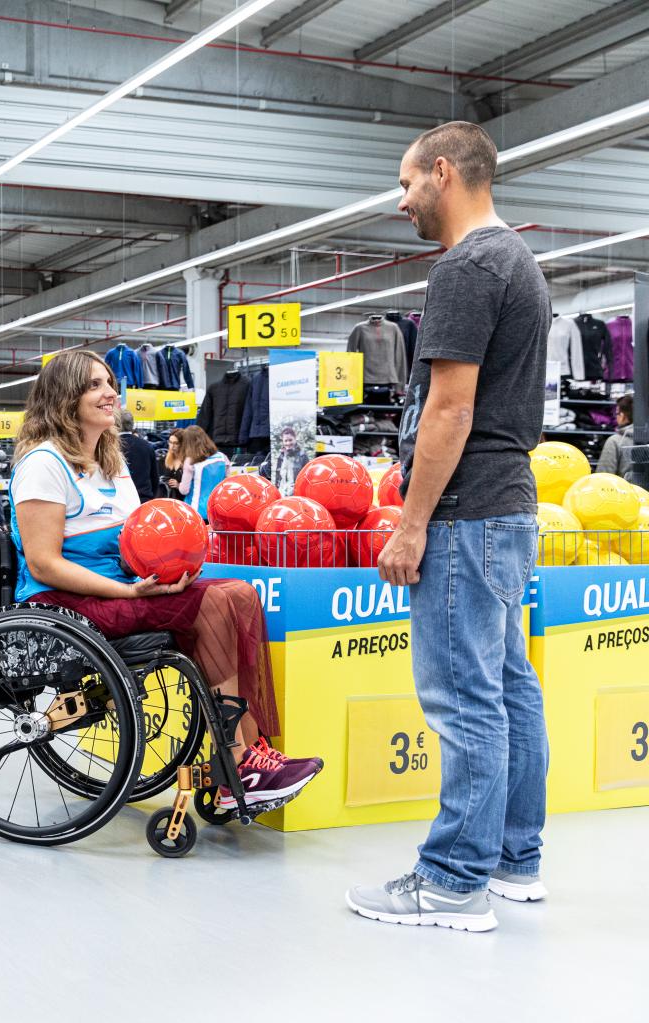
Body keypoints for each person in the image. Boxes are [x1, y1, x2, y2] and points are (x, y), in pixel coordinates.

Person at [348, 121, 550, 932]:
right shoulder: (521, 261)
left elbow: (451, 407)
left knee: (465, 698)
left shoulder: (467, 266)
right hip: (510, 506)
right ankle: (514, 859)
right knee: (507, 687)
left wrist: (410, 522)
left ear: (443, 172)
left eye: (406, 184)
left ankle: (452, 880)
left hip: (466, 512)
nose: (402, 202)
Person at [9, 351, 322, 813]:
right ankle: (238, 761)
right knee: (213, 606)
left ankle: (253, 753)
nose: (110, 392)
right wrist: (129, 590)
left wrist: (175, 563)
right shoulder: (44, 464)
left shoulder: (110, 463)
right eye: (95, 384)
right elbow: (43, 564)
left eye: (110, 382)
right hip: (64, 600)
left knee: (239, 594)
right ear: (64, 397)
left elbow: (139, 538)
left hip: (121, 586)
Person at [176, 425, 230, 520]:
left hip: (195, 511)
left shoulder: (191, 461)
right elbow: (227, 482)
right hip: (219, 510)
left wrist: (178, 485)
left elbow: (184, 490)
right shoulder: (222, 457)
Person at [118, 409, 162, 501]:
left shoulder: (109, 447)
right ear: (132, 424)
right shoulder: (147, 446)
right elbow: (154, 477)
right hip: (143, 498)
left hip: (120, 499)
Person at [596, 395, 634, 477]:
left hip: (623, 489)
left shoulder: (615, 441)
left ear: (623, 415)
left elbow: (604, 476)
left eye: (617, 413)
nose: (616, 417)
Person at [272, 426, 311, 493]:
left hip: (297, 494)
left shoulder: (303, 456)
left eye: (290, 440)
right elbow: (277, 478)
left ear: (295, 439)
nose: (288, 443)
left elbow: (308, 478)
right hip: (282, 493)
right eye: (286, 441)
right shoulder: (281, 456)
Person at [161, 430, 184, 497]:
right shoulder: (165, 459)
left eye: (176, 443)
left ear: (182, 444)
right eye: (170, 442)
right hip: (168, 498)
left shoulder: (187, 461)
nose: (172, 446)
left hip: (183, 500)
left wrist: (179, 485)